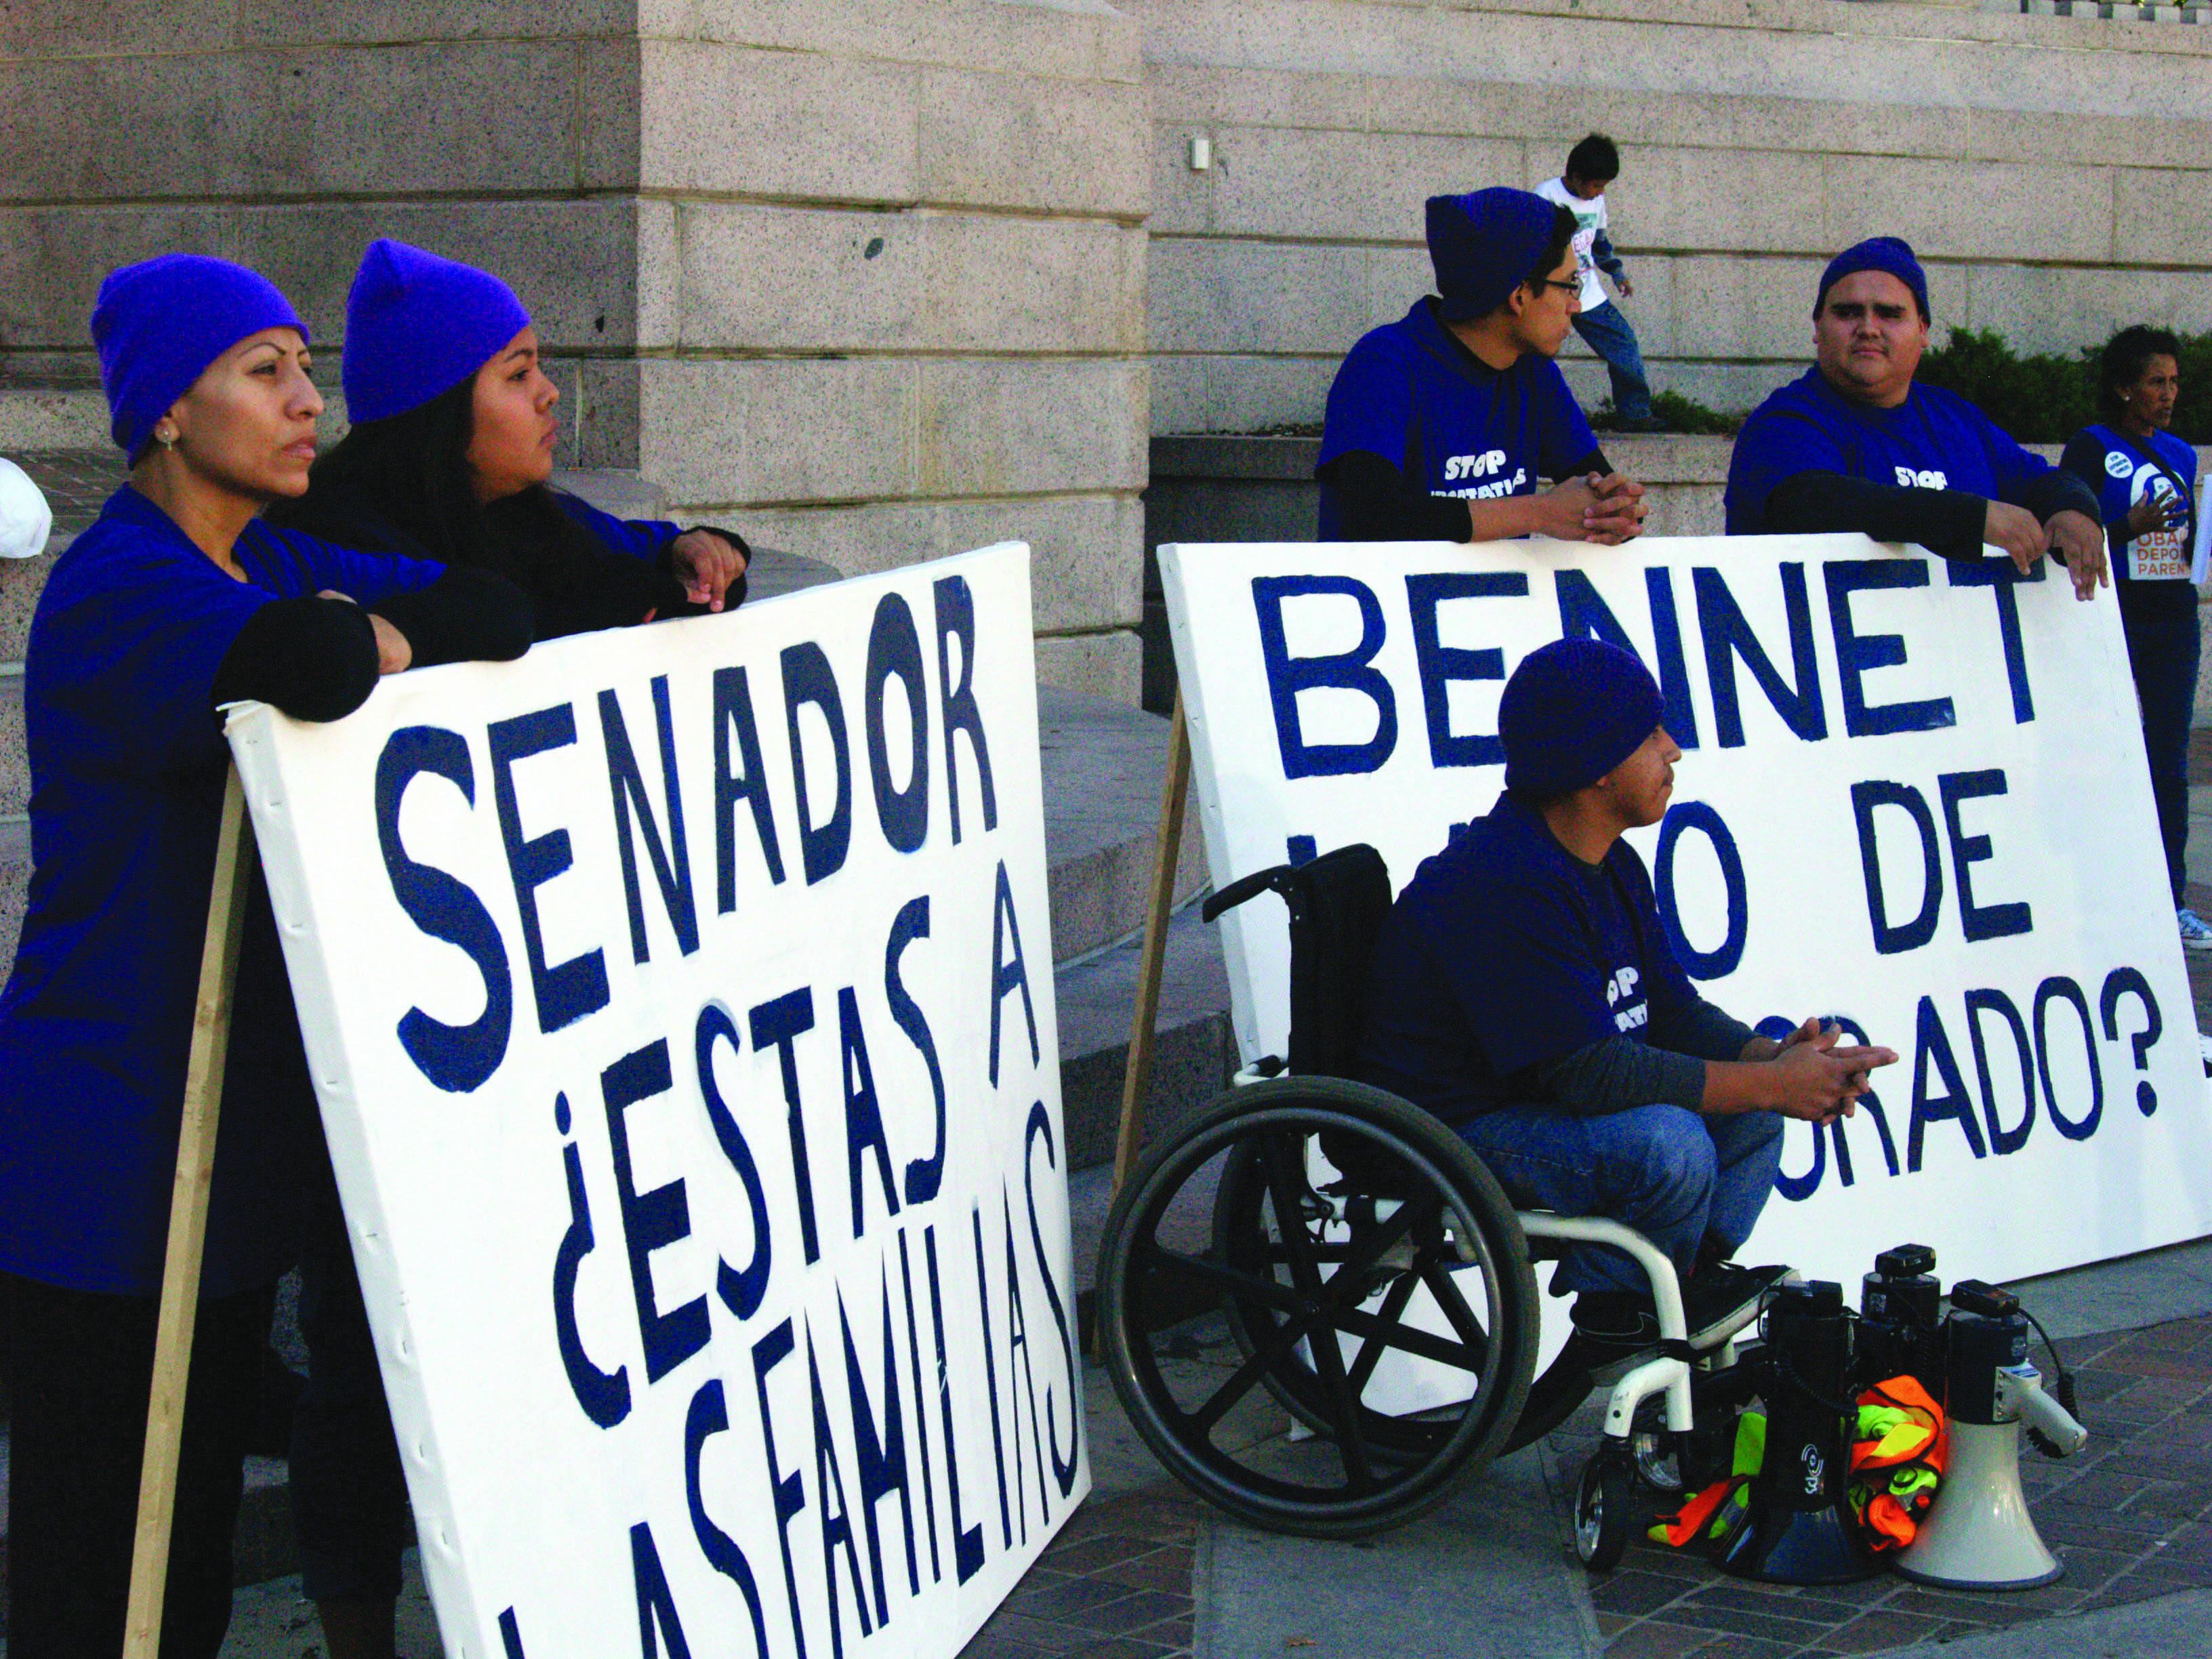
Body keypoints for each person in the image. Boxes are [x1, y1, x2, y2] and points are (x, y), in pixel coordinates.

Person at [0, 255, 533, 1658]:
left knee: (177, 1577)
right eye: (265, 370)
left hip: (221, 1148)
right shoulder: (119, 587)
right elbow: (301, 665)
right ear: (167, 412)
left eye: (306, 365)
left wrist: (382, 632)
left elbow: (472, 608)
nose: (310, 402)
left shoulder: (274, 553)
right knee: (103, 1585)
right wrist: (371, 638)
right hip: (104, 1153)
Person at [1357, 638, 1898, 1380]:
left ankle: (1677, 1286)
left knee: (1750, 1115)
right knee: (1668, 1143)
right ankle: (1623, 1315)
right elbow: (1592, 1076)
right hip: (1453, 1129)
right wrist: (1774, 1081)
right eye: (1652, 733)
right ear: (1597, 763)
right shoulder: (1505, 883)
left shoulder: (1607, 859)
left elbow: (1673, 1013)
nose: (1674, 749)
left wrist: (1777, 1063)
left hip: (1535, 1104)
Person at [270, 238, 748, 638]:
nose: (550, 393)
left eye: (538, 367)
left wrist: (693, 552)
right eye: (519, 374)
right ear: (440, 411)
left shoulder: (519, 506)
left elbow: (640, 545)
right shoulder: (339, 542)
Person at [1725, 236, 2106, 599]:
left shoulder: (1956, 418)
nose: (1868, 328)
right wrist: (1970, 519)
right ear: (1818, 327)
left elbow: (2041, 481)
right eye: (1847, 313)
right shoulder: (1786, 420)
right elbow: (1813, 504)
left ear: (1922, 330)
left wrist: (2074, 509)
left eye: (1889, 314)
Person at [1316, 187, 1648, 545]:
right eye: (1570, 285)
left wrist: (1615, 511)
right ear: (1519, 296)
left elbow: (1592, 486)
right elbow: (1369, 519)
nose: (1577, 306)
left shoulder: (1533, 371)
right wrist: (1539, 512)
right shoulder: (1384, 365)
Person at [2060, 328, 2205, 949]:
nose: (2168, 394)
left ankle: (2171, 902)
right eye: (2155, 381)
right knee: (2098, 755)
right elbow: (2071, 531)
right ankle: (2094, 895)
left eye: (2174, 382)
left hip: (2175, 617)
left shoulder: (2182, 453)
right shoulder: (2091, 449)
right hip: (2113, 617)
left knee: (2168, 765)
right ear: (2124, 386)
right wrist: (2127, 526)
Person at [1536, 134, 1659, 432]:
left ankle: (1634, 413)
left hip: (1588, 293)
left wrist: (1617, 273)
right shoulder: (1547, 195)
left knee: (1624, 344)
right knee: (1535, 352)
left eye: (1604, 186)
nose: (1598, 192)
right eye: (1594, 185)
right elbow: (1534, 244)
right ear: (1575, 176)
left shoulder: (1597, 201)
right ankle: (1530, 415)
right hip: (1553, 291)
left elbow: (1599, 243)